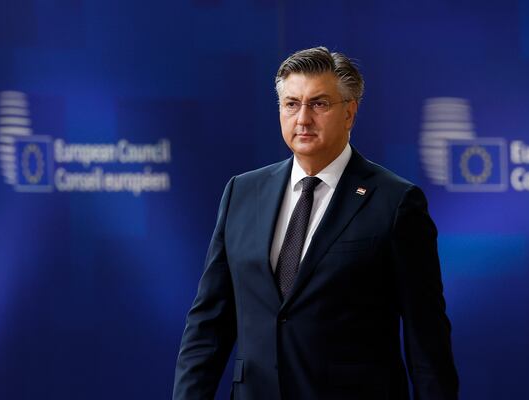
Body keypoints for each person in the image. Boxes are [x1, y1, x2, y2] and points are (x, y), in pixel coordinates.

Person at [173, 47, 458, 400]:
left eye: (319, 104)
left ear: (350, 113)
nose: (303, 118)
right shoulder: (242, 192)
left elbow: (426, 337)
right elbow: (208, 325)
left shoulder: (395, 201)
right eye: (291, 104)